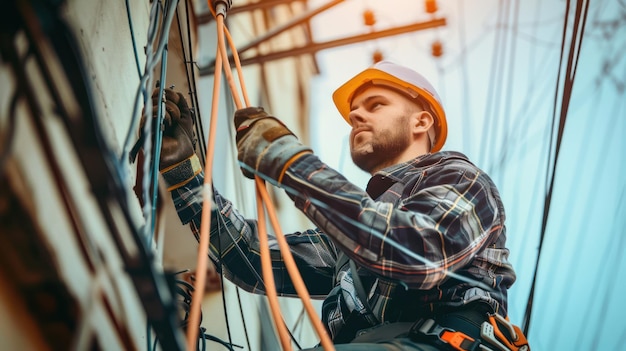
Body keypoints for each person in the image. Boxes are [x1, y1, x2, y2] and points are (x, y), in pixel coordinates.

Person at [152, 61, 530, 350]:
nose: (355, 116)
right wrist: (186, 176)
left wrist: (290, 163)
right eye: (354, 111)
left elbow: (417, 252)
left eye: (375, 104)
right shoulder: (351, 237)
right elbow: (254, 259)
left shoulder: (461, 179)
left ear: (422, 121)